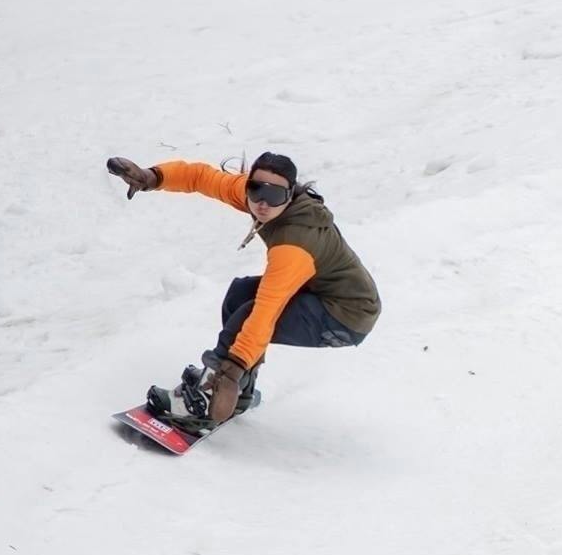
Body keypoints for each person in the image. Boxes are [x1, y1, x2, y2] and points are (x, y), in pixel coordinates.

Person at [105, 151, 381, 426]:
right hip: (319, 294)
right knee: (240, 294)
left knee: (250, 314)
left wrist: (232, 369)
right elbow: (201, 177)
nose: (262, 203)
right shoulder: (263, 200)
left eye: (273, 196)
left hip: (346, 317)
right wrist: (151, 177)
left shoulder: (294, 246)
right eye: (255, 189)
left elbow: (265, 314)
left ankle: (206, 399)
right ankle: (239, 393)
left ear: (289, 194)